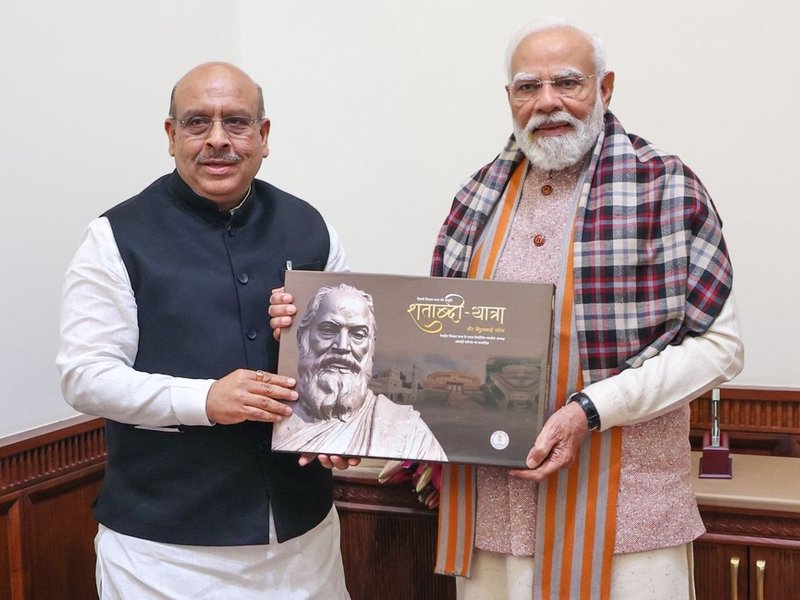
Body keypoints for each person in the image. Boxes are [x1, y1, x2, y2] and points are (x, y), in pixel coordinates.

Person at [427, 17, 744, 600]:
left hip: (628, 515)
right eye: (528, 87)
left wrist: (590, 409)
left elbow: (722, 349)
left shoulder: (666, 188)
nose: (547, 102)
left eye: (567, 83)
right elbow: (442, 336)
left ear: (605, 88)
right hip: (496, 510)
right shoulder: (476, 198)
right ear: (510, 99)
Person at [57, 62, 357, 599]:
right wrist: (205, 400)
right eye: (198, 123)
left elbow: (343, 365)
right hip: (163, 555)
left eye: (236, 122)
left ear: (264, 137)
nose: (217, 139)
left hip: (301, 545)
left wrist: (343, 427)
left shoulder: (312, 229)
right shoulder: (115, 237)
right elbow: (84, 377)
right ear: (171, 136)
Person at [272, 283, 447, 461]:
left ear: (370, 347)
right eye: (328, 330)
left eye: (358, 334)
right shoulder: (276, 414)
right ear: (304, 339)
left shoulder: (407, 430)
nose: (342, 346)